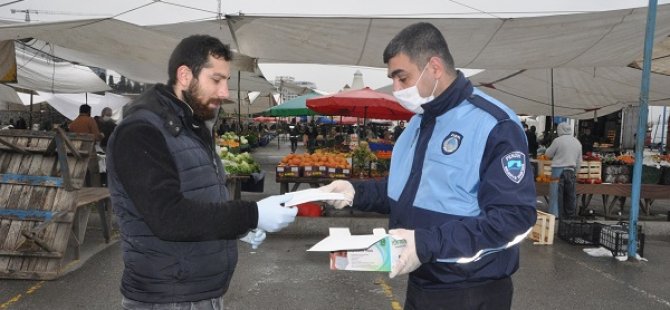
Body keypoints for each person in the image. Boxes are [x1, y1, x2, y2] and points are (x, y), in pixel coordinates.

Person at [319, 23, 536, 310]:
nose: (395, 89)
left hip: (470, 289)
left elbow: (514, 218)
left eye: (402, 77)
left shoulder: (494, 124)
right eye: (392, 79)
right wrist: (354, 192)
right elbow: (406, 191)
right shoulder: (419, 123)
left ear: (434, 67)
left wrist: (426, 243)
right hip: (422, 281)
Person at [105, 35, 297, 309]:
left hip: (195, 291)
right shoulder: (141, 131)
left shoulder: (188, 126)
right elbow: (168, 217)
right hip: (168, 297)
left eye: (227, 81)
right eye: (216, 80)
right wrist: (252, 214)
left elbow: (198, 197)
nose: (225, 92)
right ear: (185, 75)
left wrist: (236, 228)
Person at [545, 122, 582, 219]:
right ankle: (569, 217)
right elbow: (579, 160)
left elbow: (548, 154)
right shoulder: (577, 142)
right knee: (570, 196)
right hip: (571, 171)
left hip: (558, 171)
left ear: (559, 130)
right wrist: (576, 172)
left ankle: (556, 216)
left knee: (557, 195)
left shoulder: (557, 141)